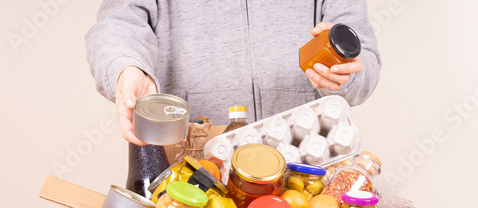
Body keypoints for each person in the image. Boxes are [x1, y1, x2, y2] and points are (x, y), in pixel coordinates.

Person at [86, 0, 381, 145]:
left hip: (304, 173)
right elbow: (118, 22)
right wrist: (128, 67)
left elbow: (362, 57)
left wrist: (344, 75)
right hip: (191, 168)